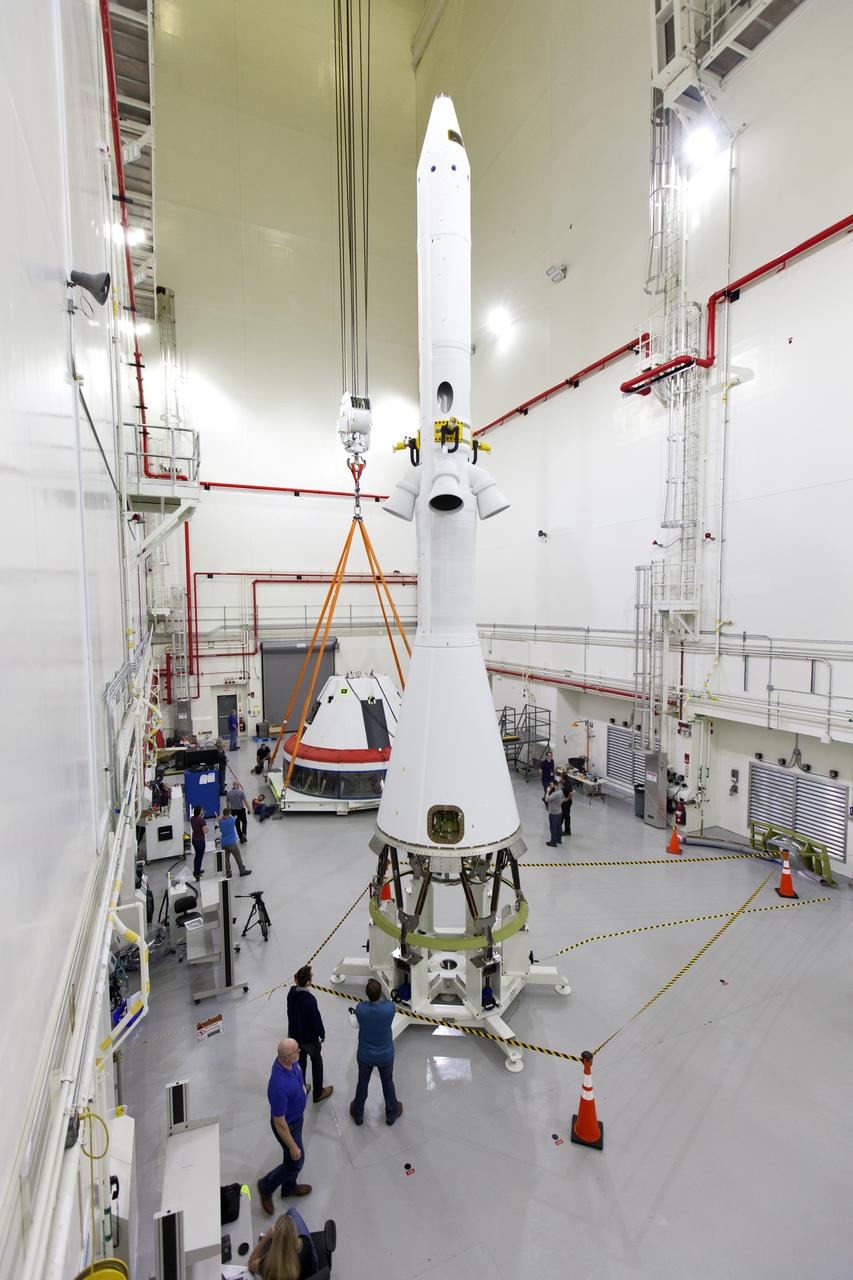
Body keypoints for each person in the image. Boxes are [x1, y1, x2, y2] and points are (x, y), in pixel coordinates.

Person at [258, 1039, 311, 1214]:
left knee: (291, 1158)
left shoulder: (290, 1064)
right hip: (288, 1125)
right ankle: (266, 1186)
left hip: (297, 1118)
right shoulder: (278, 1086)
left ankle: (288, 1189)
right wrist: (292, 1145)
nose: (300, 1052)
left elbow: (299, 1078)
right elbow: (279, 1122)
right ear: (287, 1058)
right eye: (297, 1051)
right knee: (296, 1162)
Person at [349, 978, 402, 1127]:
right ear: (380, 993)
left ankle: (358, 1114)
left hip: (365, 1055)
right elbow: (390, 1004)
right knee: (387, 1083)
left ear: (367, 994)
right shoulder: (389, 1008)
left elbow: (361, 1012)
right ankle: (392, 1113)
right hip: (385, 1055)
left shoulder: (360, 1009)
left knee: (362, 1083)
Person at [287, 966, 333, 1105]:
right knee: (317, 1062)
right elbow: (315, 1020)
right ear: (308, 982)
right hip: (309, 1040)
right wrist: (322, 1033)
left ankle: (302, 1089)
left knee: (300, 1064)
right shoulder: (309, 1000)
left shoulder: (291, 993)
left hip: (295, 1037)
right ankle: (318, 1093)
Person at [248, 1212, 316, 1279]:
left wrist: (266, 1237)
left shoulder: (267, 1265)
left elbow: (251, 1263)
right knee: (292, 1211)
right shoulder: (305, 1242)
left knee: (290, 1212)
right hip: (307, 1275)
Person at [220, 807, 251, 878]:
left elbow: (223, 818)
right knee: (238, 857)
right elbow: (233, 817)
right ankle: (242, 870)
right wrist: (230, 814)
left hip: (224, 843)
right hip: (232, 843)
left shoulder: (220, 822)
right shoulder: (232, 820)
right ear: (229, 813)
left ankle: (228, 873)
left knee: (226, 859)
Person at [545, 781, 564, 847]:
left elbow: (546, 799)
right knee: (559, 827)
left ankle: (553, 842)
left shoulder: (555, 794)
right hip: (559, 812)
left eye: (551, 785)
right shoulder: (560, 791)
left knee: (553, 828)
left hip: (553, 813)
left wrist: (547, 791)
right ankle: (559, 839)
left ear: (555, 785)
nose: (550, 786)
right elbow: (563, 798)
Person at [190, 805, 207, 878]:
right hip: (200, 840)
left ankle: (196, 870)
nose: (203, 811)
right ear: (200, 811)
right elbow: (205, 831)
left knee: (197, 856)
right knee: (199, 857)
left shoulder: (192, 818)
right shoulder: (201, 820)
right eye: (202, 810)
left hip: (194, 840)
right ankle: (197, 873)